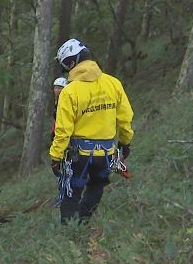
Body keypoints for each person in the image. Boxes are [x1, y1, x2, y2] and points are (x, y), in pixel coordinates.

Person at [49, 38, 133, 223]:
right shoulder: (113, 83)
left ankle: (70, 233)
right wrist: (125, 142)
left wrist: (56, 156)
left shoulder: (69, 92)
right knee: (97, 185)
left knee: (71, 192)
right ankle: (84, 221)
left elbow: (63, 130)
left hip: (79, 154)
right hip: (107, 152)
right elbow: (125, 118)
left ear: (72, 63)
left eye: (66, 67)